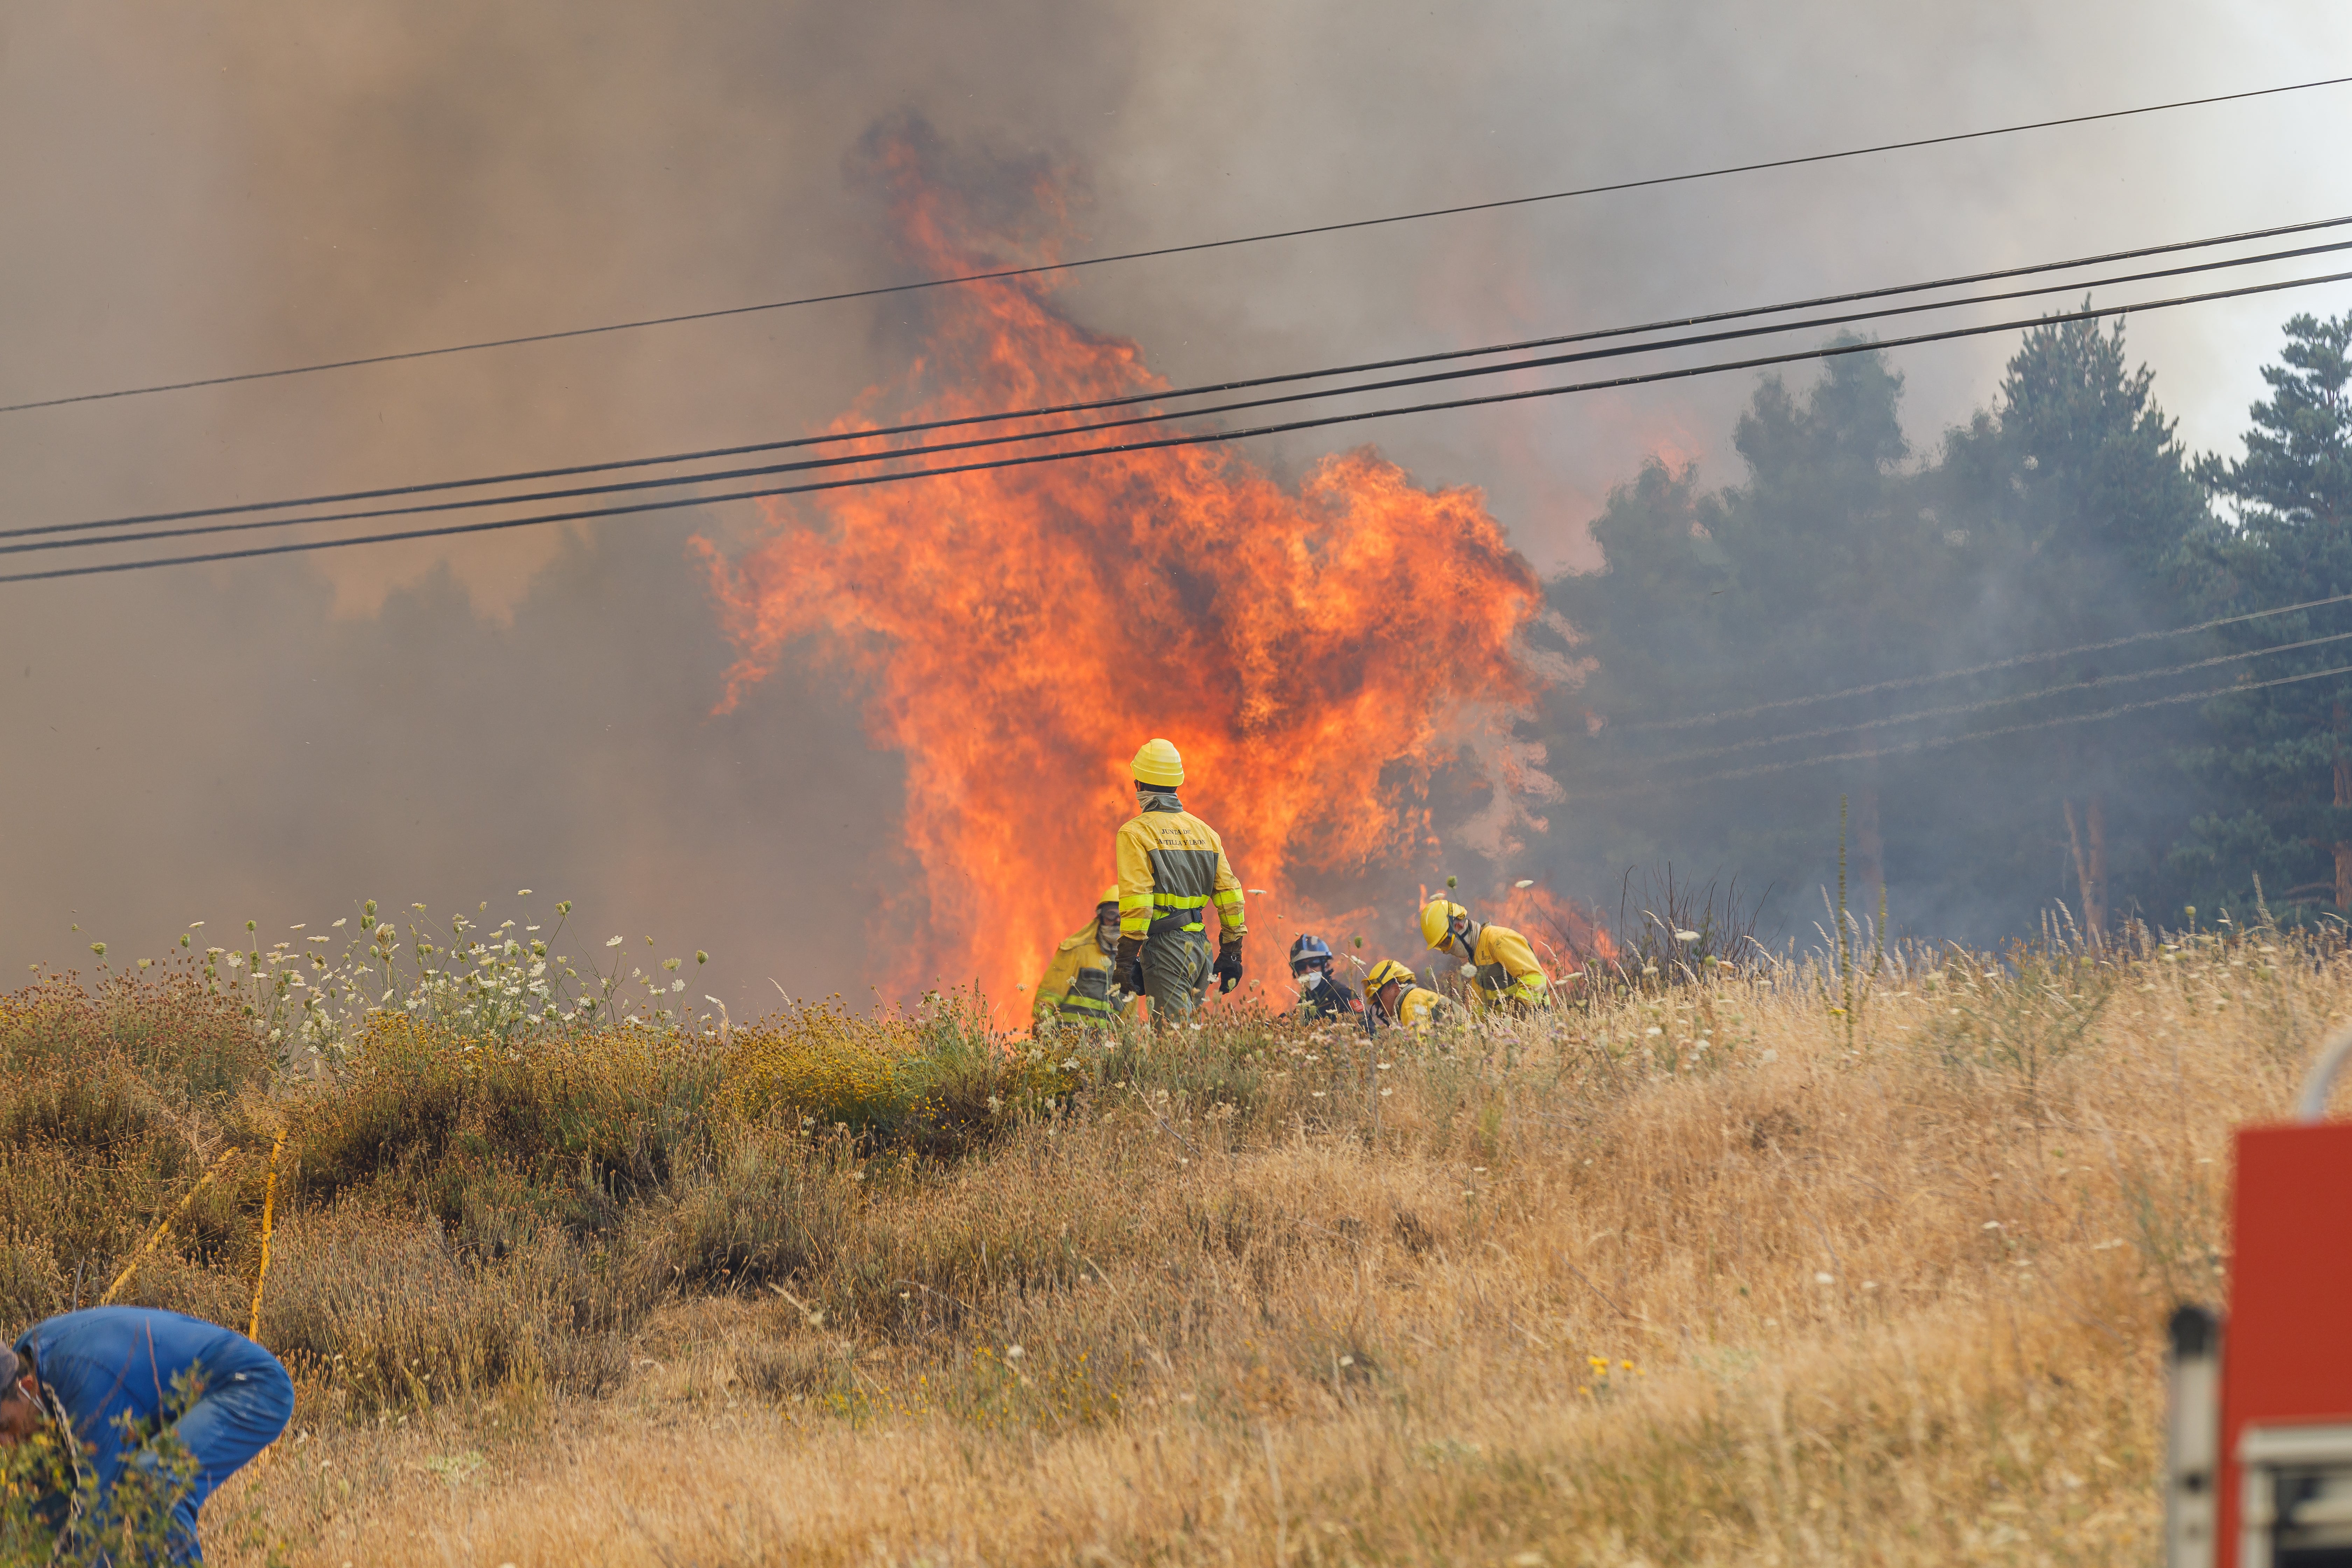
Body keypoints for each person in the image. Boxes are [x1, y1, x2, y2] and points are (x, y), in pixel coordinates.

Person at [2, 1306, 294, 1563]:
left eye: (4, 1427)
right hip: (180, 1396)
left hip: (253, 1385)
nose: (4, 1444)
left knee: (156, 1479)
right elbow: (47, 1517)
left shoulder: (87, 1387)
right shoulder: (27, 1363)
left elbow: (98, 1529)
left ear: (27, 1387)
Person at [1113, 738, 1245, 1021]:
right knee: (1187, 1036)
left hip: (1166, 947)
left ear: (1138, 785)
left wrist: (1125, 961)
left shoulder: (1135, 833)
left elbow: (1139, 903)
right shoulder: (1206, 832)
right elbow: (1230, 895)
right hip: (1200, 948)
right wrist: (1233, 951)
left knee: (1175, 1044)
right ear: (1177, 784)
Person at [1031, 886, 1134, 1031]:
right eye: (1111, 915)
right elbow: (1049, 995)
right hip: (1068, 1040)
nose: (1117, 921)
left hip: (1105, 1049)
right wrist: (1042, 1027)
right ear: (1101, 917)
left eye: (1124, 915)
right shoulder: (1076, 950)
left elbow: (1128, 1018)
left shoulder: (1130, 963)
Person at [1419, 898, 1550, 1010]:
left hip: (1536, 1027)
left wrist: (1520, 1009)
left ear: (1459, 926)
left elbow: (1535, 977)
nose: (1446, 951)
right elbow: (1482, 1007)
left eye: (1446, 943)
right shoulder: (1476, 957)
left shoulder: (1498, 939)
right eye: (1440, 948)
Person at [1289, 934, 1365, 1025]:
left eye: (1314, 964)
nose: (1308, 970)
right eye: (1301, 967)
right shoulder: (1304, 1002)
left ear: (1327, 966)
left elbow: (1369, 1032)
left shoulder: (1342, 994)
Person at [1364, 957, 1451, 1031]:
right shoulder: (1415, 996)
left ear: (1396, 989)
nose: (1376, 1004)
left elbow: (1420, 1044)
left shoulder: (1410, 1003)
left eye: (1379, 995)